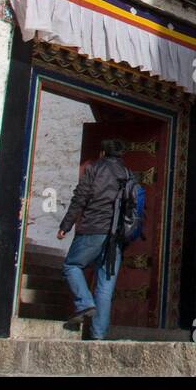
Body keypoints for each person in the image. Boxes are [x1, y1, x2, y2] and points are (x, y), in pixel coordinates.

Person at [57, 138, 129, 340]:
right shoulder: (127, 174)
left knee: (71, 265)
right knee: (105, 288)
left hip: (93, 229)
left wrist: (66, 225)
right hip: (116, 236)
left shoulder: (94, 169)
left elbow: (80, 198)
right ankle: (98, 336)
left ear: (103, 153)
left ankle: (84, 303)